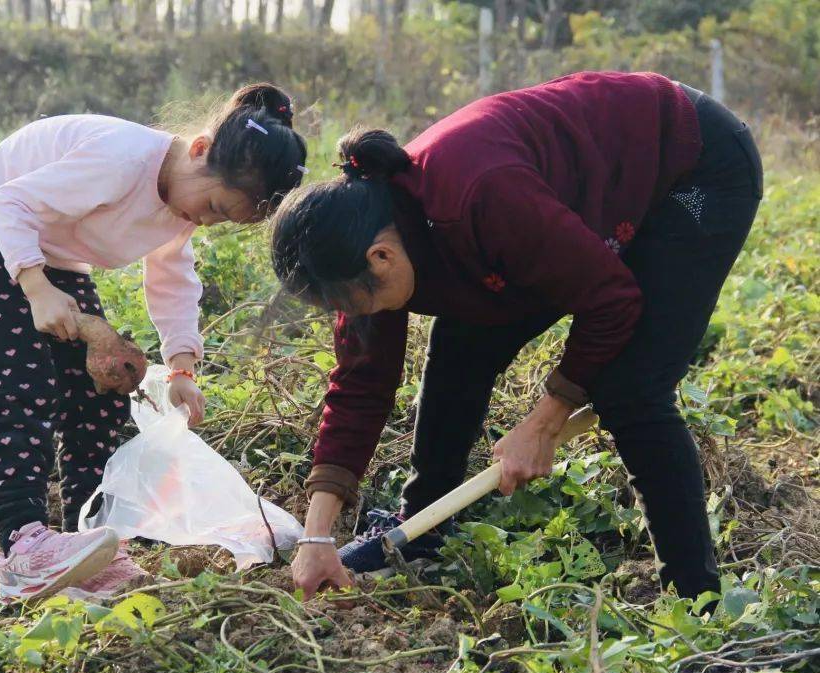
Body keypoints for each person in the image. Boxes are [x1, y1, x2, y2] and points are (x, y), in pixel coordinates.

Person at [270, 72, 762, 600]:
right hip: (567, 206)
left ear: (382, 259)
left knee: (631, 389)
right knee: (461, 350)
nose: (354, 315)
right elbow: (360, 386)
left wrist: (545, 422)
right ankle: (422, 532)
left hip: (693, 163)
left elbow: (611, 301)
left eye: (352, 304)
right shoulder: (366, 237)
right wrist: (316, 533)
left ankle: (696, 600)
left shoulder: (481, 195)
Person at [0, 83, 307, 601]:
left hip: (53, 257)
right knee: (24, 388)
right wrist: (35, 286)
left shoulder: (180, 209)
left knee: (102, 391)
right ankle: (23, 548)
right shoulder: (122, 158)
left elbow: (172, 278)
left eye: (224, 220)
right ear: (199, 150)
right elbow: (10, 201)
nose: (207, 220)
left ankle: (88, 545)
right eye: (215, 206)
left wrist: (181, 367)